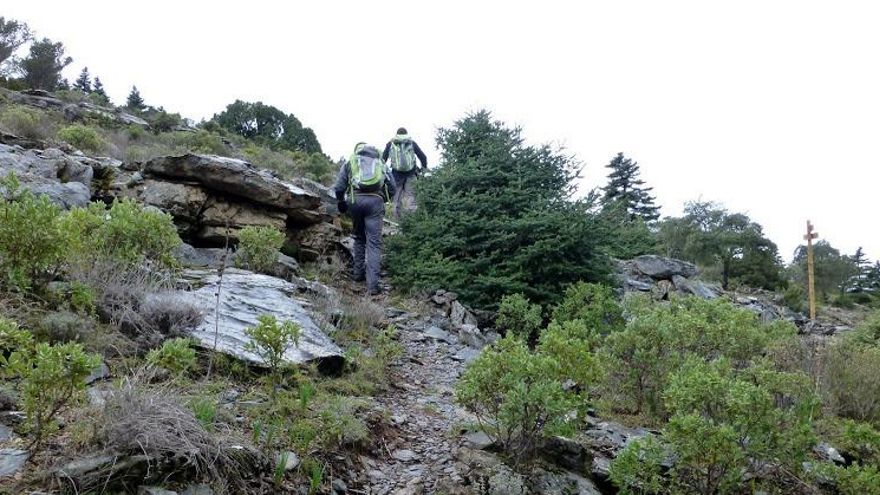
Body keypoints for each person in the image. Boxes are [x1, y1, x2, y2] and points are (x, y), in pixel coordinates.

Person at [333, 143, 396, 295]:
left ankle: (358, 274)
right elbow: (392, 188)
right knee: (374, 243)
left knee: (359, 238)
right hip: (375, 202)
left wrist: (341, 202)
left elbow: (339, 187)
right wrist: (382, 199)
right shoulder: (380, 163)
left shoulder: (351, 161)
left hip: (355, 201)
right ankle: (373, 286)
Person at [382, 127, 427, 219]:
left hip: (396, 176)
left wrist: (384, 173)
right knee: (410, 198)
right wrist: (423, 170)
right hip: (411, 174)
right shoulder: (411, 143)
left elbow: (383, 160)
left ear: (397, 134)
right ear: (406, 134)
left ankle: (396, 222)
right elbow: (423, 157)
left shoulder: (391, 144)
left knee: (395, 199)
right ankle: (411, 222)